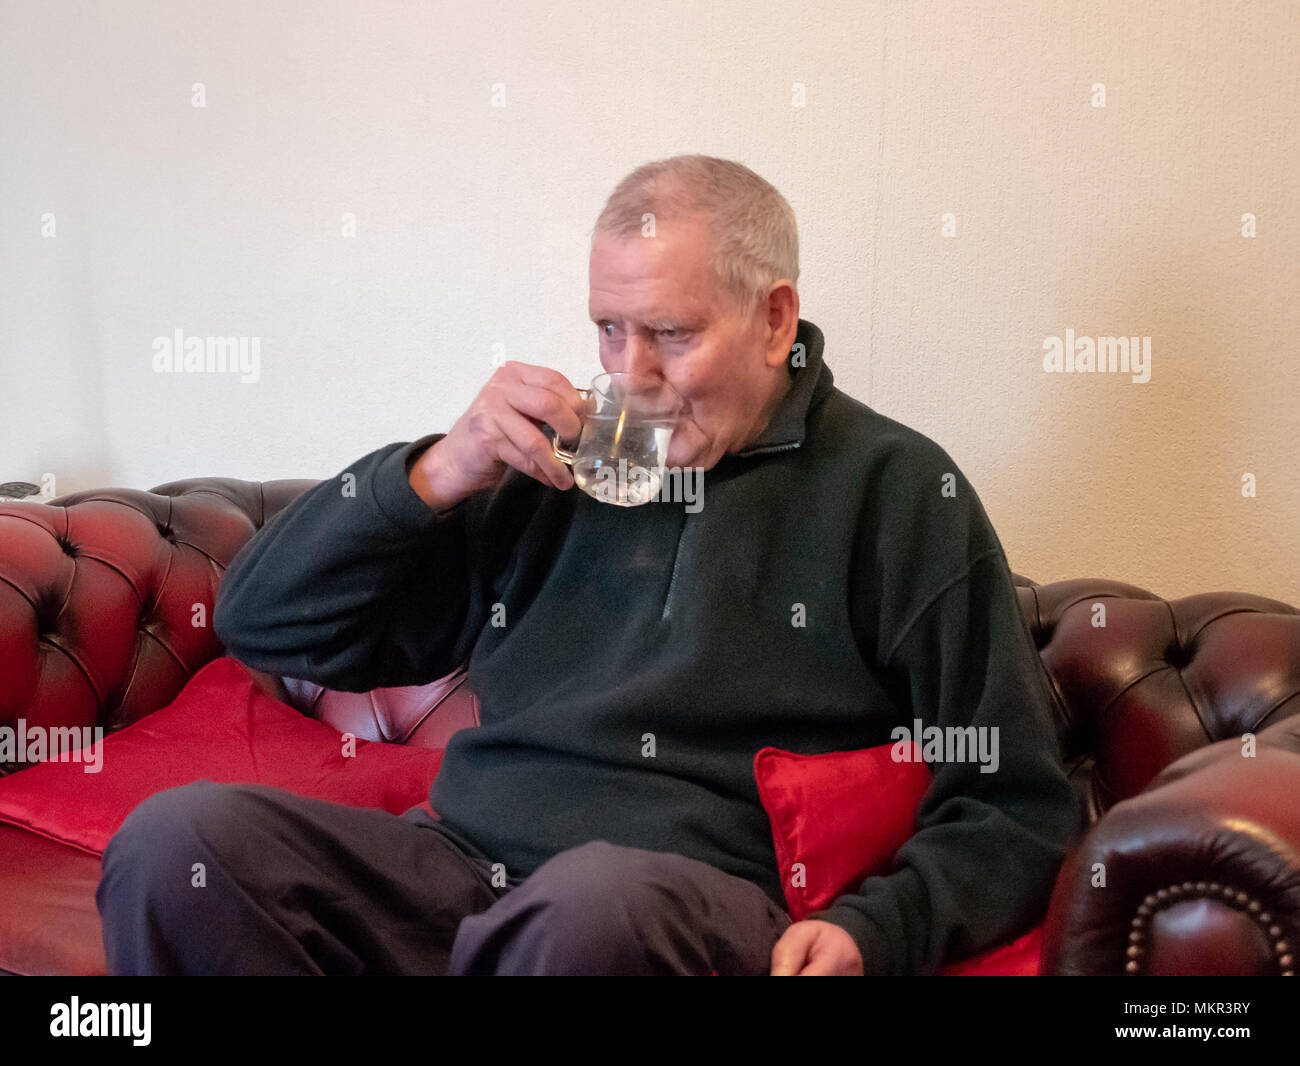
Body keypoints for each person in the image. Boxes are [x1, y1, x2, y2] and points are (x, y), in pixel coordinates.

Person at [96, 154, 1080, 976]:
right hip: (463, 870)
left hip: (679, 910)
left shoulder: (896, 489)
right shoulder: (550, 467)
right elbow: (263, 623)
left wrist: (879, 928)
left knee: (590, 904)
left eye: (672, 334)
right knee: (175, 844)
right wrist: (438, 471)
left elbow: (1017, 799)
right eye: (610, 327)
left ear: (775, 318)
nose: (629, 374)